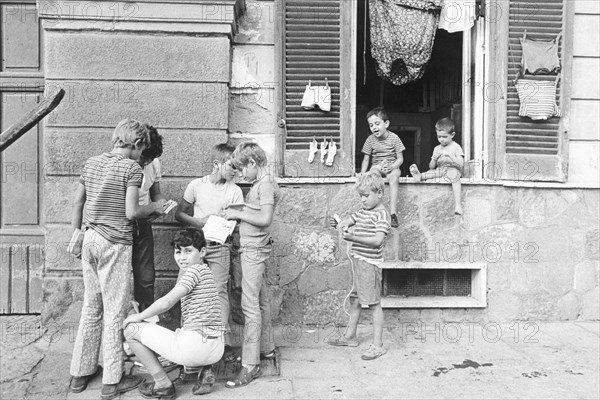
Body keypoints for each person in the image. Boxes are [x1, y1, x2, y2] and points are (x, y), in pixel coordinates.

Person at [67, 119, 164, 400]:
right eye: (142, 149)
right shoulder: (132, 168)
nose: (142, 155)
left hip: (89, 239)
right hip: (115, 243)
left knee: (91, 307)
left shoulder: (92, 162)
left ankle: (79, 374)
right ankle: (112, 381)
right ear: (136, 145)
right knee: (114, 311)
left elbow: (78, 203)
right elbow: (132, 213)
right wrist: (155, 207)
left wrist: (76, 234)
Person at [123, 228, 224, 399]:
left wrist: (138, 317)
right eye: (178, 252)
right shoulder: (206, 271)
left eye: (188, 251)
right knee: (180, 333)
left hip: (196, 347)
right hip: (216, 348)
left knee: (131, 331)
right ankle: (204, 368)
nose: (182, 257)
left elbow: (166, 303)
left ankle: (162, 384)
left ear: (202, 252)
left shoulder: (192, 272)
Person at [175, 143, 243, 361]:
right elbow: (179, 214)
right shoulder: (197, 185)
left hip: (220, 246)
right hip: (196, 246)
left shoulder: (235, 190)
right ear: (217, 164)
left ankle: (220, 342)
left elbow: (238, 223)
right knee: (186, 288)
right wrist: (199, 222)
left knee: (218, 291)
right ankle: (187, 337)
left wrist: (229, 222)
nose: (235, 171)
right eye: (232, 166)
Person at [220, 141, 279, 388]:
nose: (241, 174)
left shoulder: (264, 185)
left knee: (250, 305)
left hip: (253, 252)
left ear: (253, 163)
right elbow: (257, 209)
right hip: (256, 250)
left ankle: (250, 365)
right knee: (262, 301)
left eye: (243, 169)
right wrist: (241, 207)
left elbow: (264, 219)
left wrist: (237, 214)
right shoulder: (261, 184)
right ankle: (266, 348)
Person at [327, 172, 391, 361]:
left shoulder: (381, 214)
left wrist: (353, 237)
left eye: (366, 196)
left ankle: (378, 345)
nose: (363, 200)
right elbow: (349, 221)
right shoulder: (364, 211)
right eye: (360, 196)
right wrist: (339, 224)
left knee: (373, 303)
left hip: (369, 265)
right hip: (358, 261)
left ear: (379, 193)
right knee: (355, 299)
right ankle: (350, 336)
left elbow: (378, 240)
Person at [133, 124, 166, 312]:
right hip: (122, 222)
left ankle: (145, 321)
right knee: (118, 279)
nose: (147, 163)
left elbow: (156, 193)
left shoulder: (152, 163)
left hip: (143, 223)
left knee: (146, 277)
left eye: (151, 159)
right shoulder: (126, 163)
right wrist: (152, 207)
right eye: (145, 157)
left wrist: (161, 205)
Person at [409, 117, 464, 215]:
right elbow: (431, 166)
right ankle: (419, 176)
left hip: (452, 170)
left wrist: (451, 157)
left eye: (444, 137)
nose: (441, 139)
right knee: (431, 173)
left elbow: (461, 164)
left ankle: (458, 205)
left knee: (454, 176)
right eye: (439, 137)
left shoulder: (456, 147)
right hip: (440, 170)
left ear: (452, 135)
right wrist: (434, 158)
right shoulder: (437, 148)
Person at [360, 107, 405, 228]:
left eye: (377, 124)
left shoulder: (394, 138)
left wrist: (392, 167)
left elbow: (400, 159)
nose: (374, 127)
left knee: (394, 178)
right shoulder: (370, 140)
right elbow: (366, 159)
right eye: (371, 125)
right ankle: (374, 209)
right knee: (373, 174)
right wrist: (362, 173)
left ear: (386, 123)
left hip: (392, 165)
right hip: (378, 166)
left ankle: (393, 213)